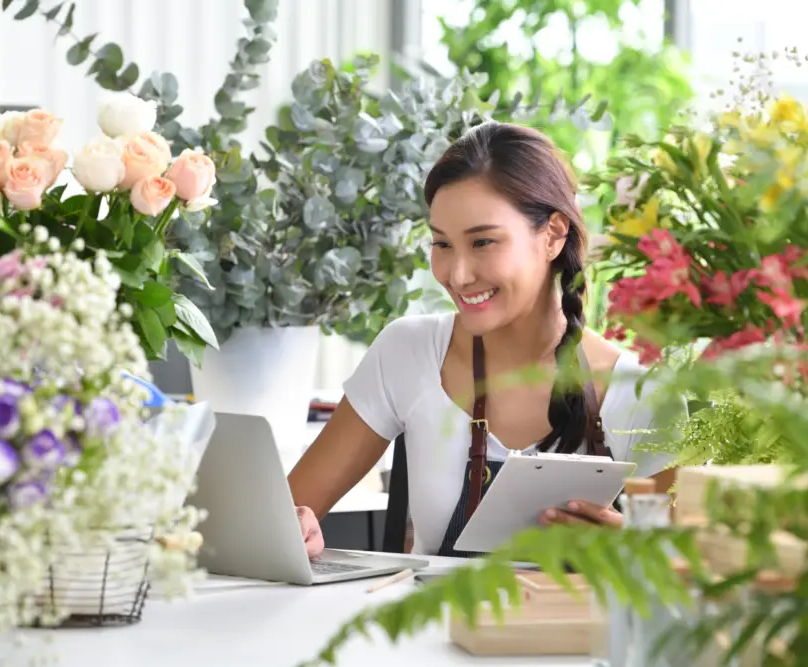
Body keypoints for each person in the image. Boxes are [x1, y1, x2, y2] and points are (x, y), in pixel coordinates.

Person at [288, 122, 684, 559]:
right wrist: (295, 528)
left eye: (482, 242)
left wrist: (631, 550)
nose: (457, 275)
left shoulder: (643, 395)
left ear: (553, 235)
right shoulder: (408, 351)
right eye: (442, 244)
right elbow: (283, 518)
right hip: (428, 624)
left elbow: (693, 575)